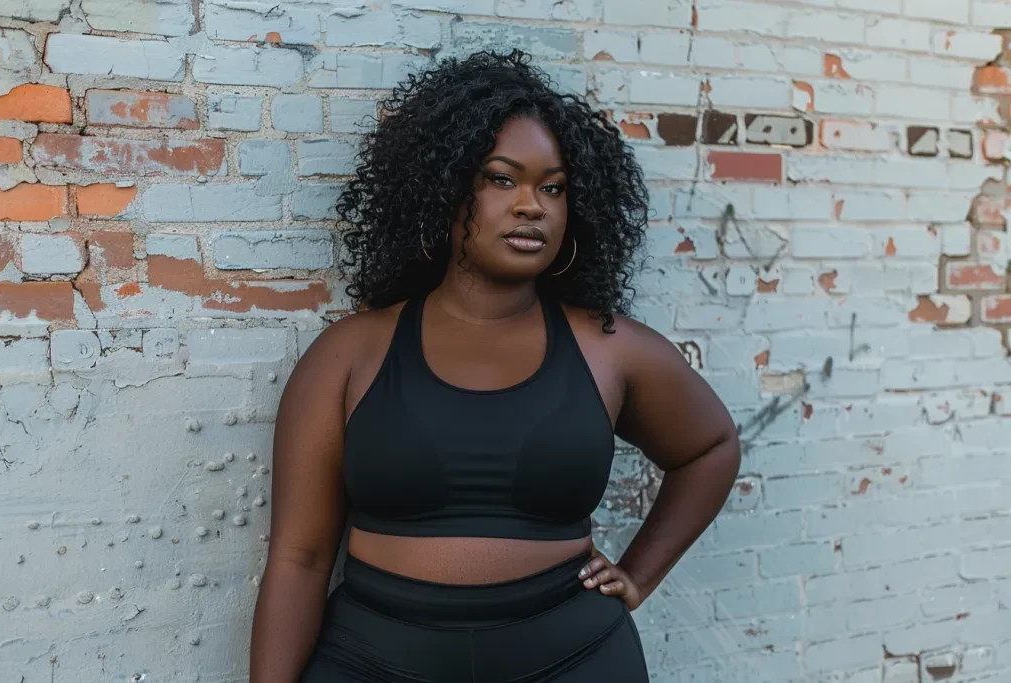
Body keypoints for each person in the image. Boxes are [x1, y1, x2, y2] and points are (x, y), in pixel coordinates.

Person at [249, 49, 741, 683]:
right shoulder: (351, 352)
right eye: (501, 179)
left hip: (575, 659)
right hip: (374, 661)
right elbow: (299, 557)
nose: (531, 205)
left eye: (553, 187)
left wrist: (640, 573)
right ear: (446, 190)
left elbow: (711, 446)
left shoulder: (614, 349)